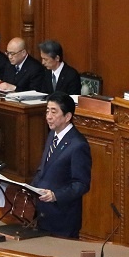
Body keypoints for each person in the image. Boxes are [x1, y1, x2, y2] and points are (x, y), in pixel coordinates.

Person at [31, 91, 92, 238]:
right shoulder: (53, 134)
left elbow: (81, 184)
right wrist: (30, 189)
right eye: (47, 111)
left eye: (54, 112)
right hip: (43, 214)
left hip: (63, 219)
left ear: (68, 117)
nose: (48, 116)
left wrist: (55, 195)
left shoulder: (78, 145)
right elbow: (44, 167)